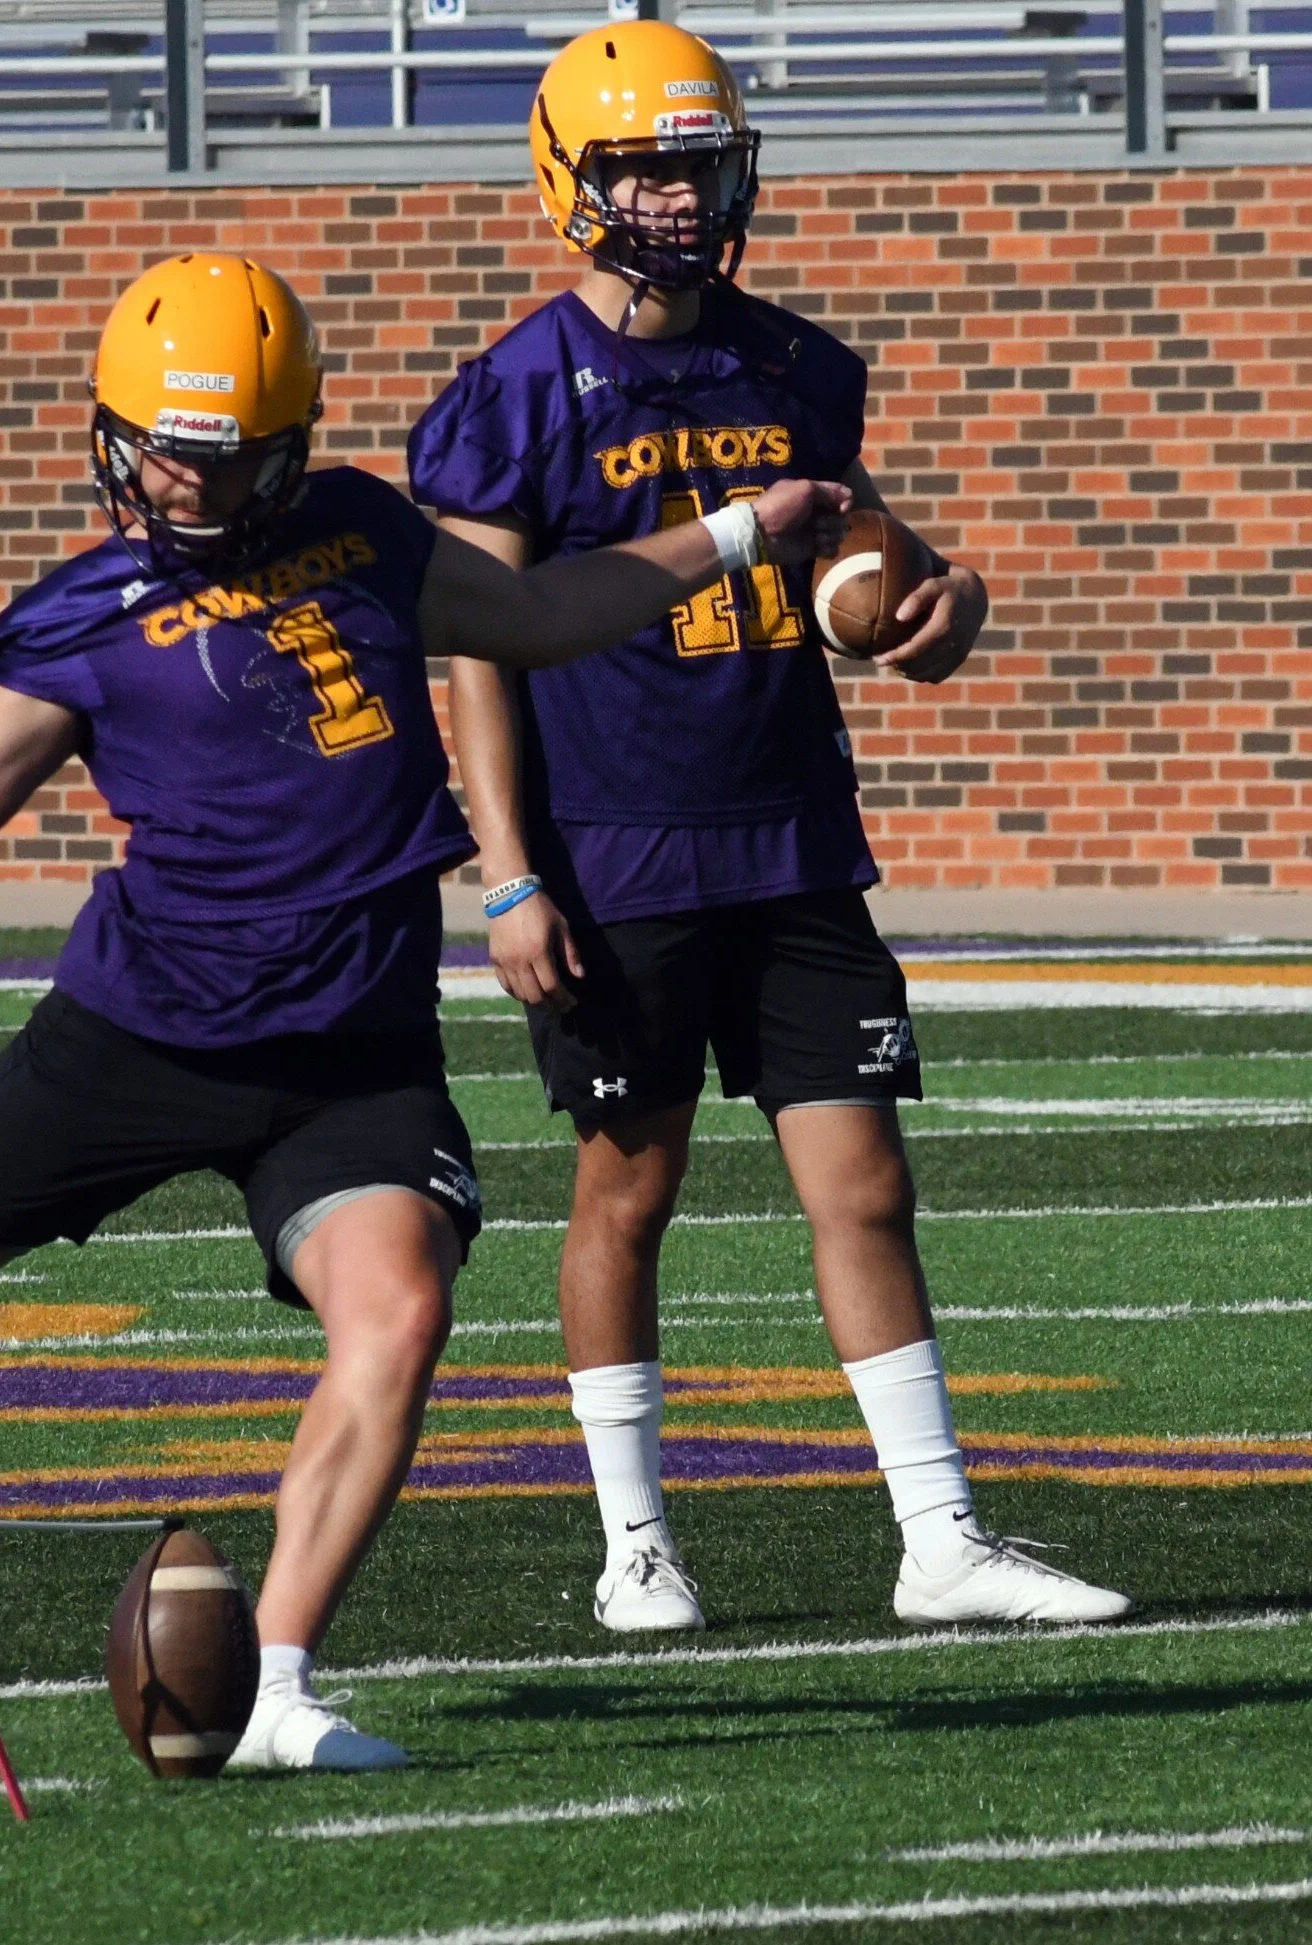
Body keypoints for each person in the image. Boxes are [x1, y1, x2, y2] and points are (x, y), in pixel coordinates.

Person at [0, 252, 851, 1768]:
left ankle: (278, 1688)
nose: (185, 483)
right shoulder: (81, 618)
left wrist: (736, 531)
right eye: (165, 448)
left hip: (352, 1054)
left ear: (290, 439)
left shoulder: (366, 531)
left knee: (404, 1309)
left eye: (224, 454)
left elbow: (547, 613)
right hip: (141, 1035)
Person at [409, 24, 1130, 1633]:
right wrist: (509, 872)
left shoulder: (792, 362)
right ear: (572, 179)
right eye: (643, 169)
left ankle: (939, 1536)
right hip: (615, 845)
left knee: (865, 1184)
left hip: (791, 831)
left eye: (693, 164)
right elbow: (475, 652)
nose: (676, 199)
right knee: (628, 1191)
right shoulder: (515, 395)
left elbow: (880, 555)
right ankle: (635, 1540)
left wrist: (950, 602)